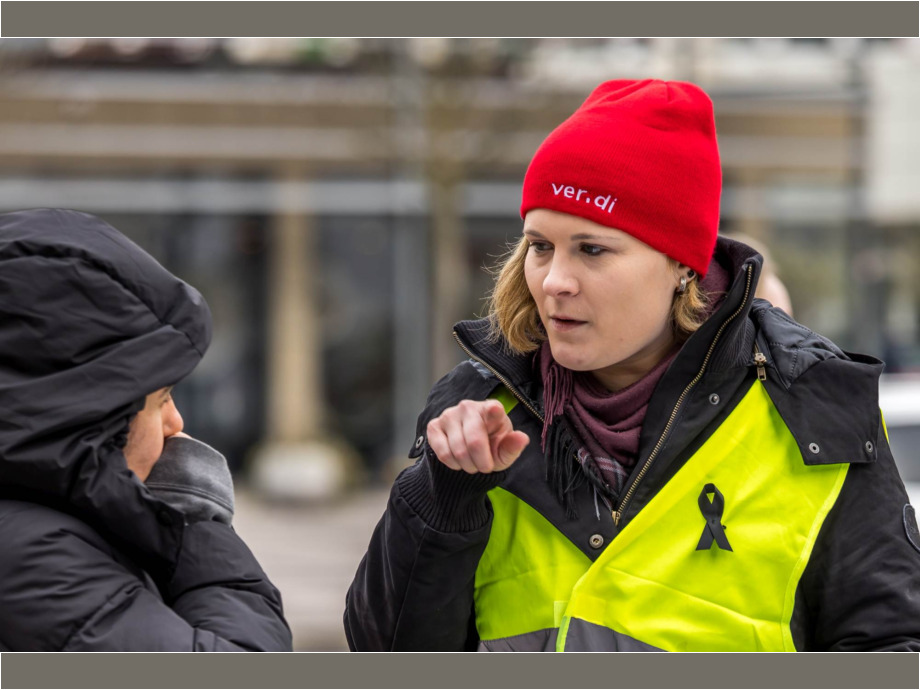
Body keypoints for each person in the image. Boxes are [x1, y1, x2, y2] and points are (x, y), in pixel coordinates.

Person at [344, 79, 920, 652]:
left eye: (592, 249)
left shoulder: (814, 411)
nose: (555, 281)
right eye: (540, 246)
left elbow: (895, 644)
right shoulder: (479, 405)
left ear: (681, 265)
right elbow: (384, 651)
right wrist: (444, 497)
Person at [0, 208, 292, 652]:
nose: (176, 423)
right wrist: (193, 521)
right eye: (161, 399)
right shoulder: (34, 559)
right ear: (91, 416)